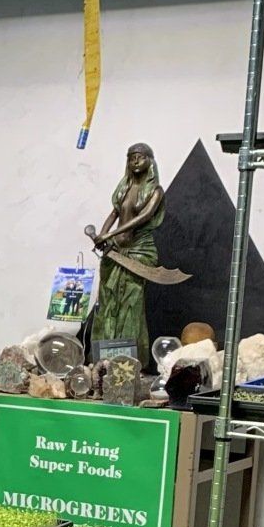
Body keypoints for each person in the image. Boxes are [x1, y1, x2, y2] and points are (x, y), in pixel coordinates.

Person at [90, 143, 165, 363]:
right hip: (114, 250)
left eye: (140, 157)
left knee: (130, 302)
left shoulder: (156, 191)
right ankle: (103, 358)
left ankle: (129, 360)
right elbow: (114, 213)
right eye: (131, 158)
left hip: (139, 251)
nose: (135, 161)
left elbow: (142, 217)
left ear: (149, 161)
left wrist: (111, 234)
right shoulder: (124, 188)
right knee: (108, 300)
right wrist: (102, 235)